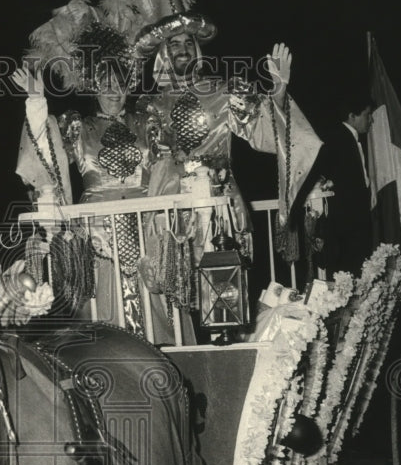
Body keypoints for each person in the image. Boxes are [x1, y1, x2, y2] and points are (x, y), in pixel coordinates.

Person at [13, 59, 189, 343]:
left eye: (120, 84)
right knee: (102, 316)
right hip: (97, 235)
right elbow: (48, 158)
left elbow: (170, 171)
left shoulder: (148, 124)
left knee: (158, 315)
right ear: (94, 89)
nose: (113, 91)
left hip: (146, 231)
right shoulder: (78, 128)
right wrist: (36, 100)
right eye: (106, 84)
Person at [133, 19, 323, 264]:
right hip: (173, 210)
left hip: (221, 204)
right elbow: (145, 167)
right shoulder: (151, 106)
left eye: (189, 43)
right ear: (165, 53)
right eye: (175, 44)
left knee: (226, 285)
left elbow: (265, 129)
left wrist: (278, 89)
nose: (183, 50)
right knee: (179, 286)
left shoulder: (224, 92)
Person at [302, 92, 376, 278]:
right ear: (352, 116)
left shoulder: (350, 139)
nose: (371, 120)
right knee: (348, 274)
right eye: (367, 115)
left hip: (355, 222)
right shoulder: (338, 140)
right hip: (346, 224)